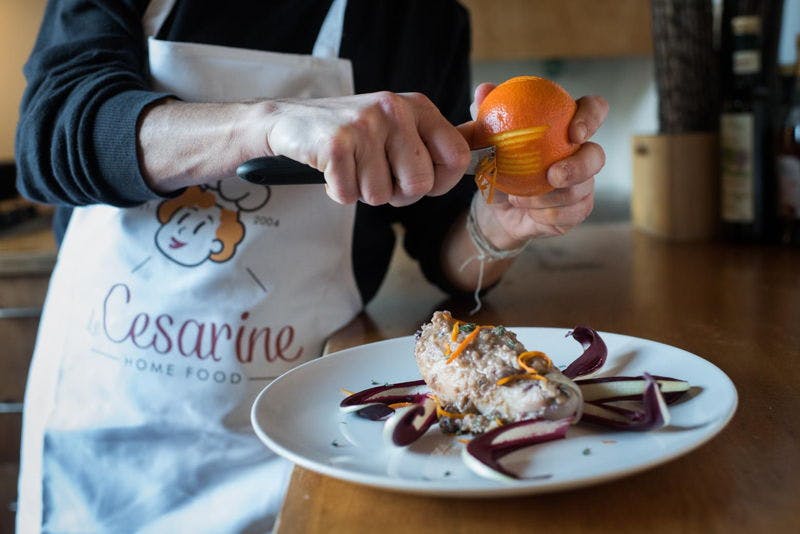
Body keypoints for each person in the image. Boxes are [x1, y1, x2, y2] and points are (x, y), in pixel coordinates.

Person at [14, 0, 608, 531]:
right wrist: (265, 125)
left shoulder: (420, 17)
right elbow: (51, 133)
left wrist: (500, 225)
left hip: (300, 431)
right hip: (106, 421)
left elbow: (444, 251)